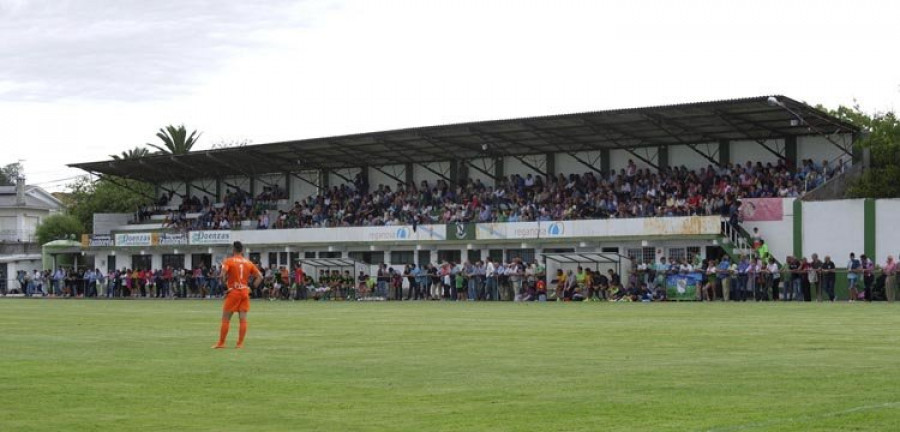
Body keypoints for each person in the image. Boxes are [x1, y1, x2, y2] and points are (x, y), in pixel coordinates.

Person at [213, 241, 262, 349]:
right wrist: (252, 288)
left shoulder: (229, 261)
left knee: (226, 318)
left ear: (233, 250)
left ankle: (221, 343)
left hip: (234, 292)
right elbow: (260, 276)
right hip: (244, 292)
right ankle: (240, 344)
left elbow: (222, 275)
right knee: (243, 318)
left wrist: (225, 288)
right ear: (242, 250)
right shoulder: (248, 262)